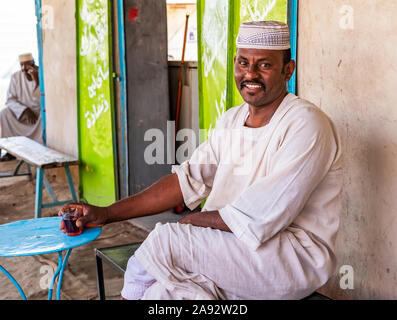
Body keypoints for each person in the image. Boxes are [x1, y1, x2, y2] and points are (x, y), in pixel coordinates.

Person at [60, 21, 342, 300]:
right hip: (231, 249)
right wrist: (107, 213)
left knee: (166, 241)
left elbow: (258, 217)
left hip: (290, 259)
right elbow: (186, 181)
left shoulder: (306, 124)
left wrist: (191, 224)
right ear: (234, 63)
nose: (251, 74)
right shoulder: (232, 119)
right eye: (243, 63)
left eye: (264, 65)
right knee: (162, 293)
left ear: (288, 70)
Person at [0, 53, 42, 161]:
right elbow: (10, 99)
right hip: (23, 114)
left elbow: (42, 96)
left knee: (46, 115)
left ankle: (40, 148)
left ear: (33, 64)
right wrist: (24, 110)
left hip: (39, 115)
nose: (24, 69)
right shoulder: (16, 77)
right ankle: (11, 151)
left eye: (27, 65)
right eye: (22, 65)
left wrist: (37, 80)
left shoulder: (42, 74)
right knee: (4, 114)